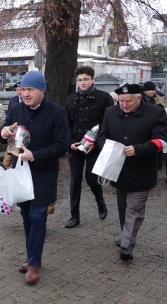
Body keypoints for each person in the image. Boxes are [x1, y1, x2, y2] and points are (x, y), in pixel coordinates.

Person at [0, 70, 68, 284]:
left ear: (42, 91)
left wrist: (35, 155)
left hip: (43, 173)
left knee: (38, 216)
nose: (25, 94)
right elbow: (6, 136)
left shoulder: (57, 113)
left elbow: (62, 145)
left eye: (30, 89)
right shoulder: (16, 109)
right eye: (23, 89)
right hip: (20, 172)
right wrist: (2, 134)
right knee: (26, 216)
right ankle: (31, 257)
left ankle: (35, 263)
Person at [96, 83, 167, 261]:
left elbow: (162, 141)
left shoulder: (156, 113)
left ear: (139, 98)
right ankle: (125, 235)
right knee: (123, 208)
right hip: (118, 171)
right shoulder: (110, 112)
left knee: (135, 209)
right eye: (121, 101)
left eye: (128, 101)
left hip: (142, 171)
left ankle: (127, 245)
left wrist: (138, 149)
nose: (124, 105)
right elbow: (102, 136)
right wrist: (108, 146)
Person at [64, 66, 113, 229]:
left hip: (94, 146)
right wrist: (70, 141)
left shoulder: (104, 98)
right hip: (76, 145)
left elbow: (108, 124)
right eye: (80, 80)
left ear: (93, 79)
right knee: (75, 181)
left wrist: (96, 141)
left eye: (85, 79)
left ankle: (100, 202)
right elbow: (67, 124)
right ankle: (74, 216)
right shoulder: (70, 99)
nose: (82, 83)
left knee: (92, 178)